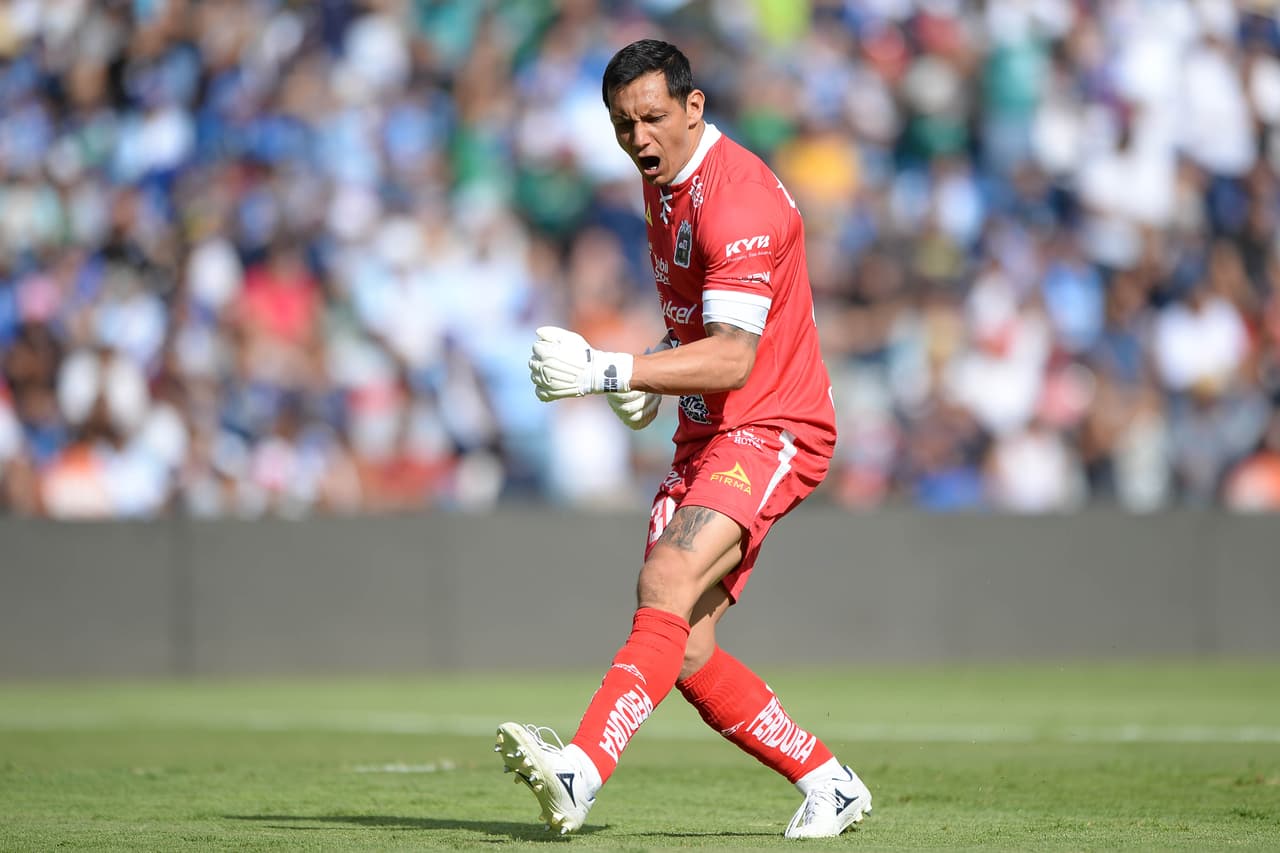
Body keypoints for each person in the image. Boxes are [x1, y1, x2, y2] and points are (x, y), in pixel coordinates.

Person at [497, 39, 872, 839]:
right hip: (713, 429)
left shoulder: (735, 201)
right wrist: (659, 367)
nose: (639, 139)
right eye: (623, 123)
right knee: (685, 644)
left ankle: (582, 770)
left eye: (654, 118)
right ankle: (828, 781)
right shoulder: (664, 182)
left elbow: (737, 355)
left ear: (694, 108)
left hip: (771, 426)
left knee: (666, 577)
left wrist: (613, 371)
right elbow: (712, 330)